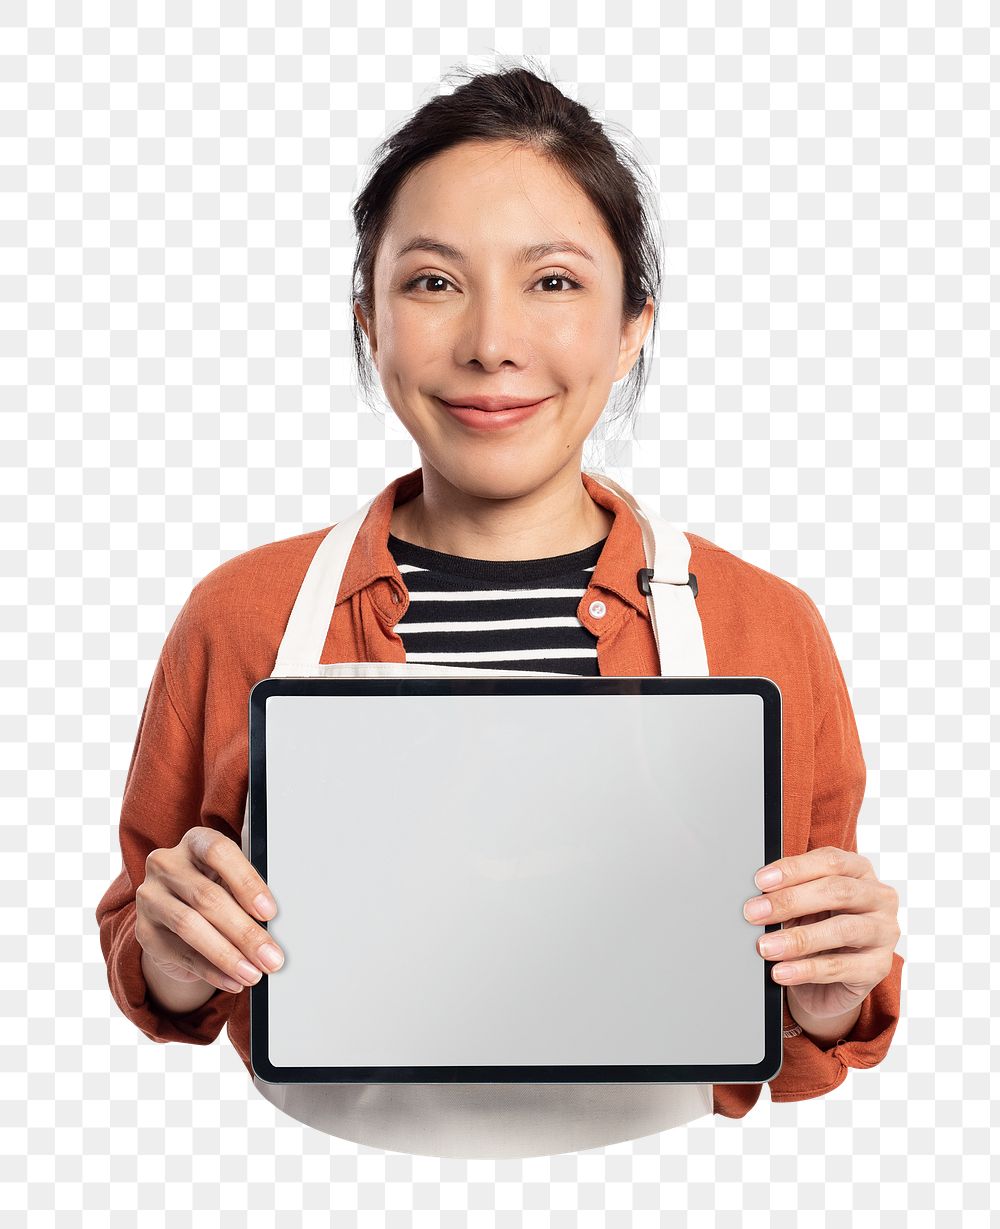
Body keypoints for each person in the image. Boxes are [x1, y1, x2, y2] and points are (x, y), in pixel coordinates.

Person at [95, 59, 903, 1157]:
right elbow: (145, 945)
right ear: (368, 323)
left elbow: (820, 999)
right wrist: (174, 950)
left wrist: (830, 987)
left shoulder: (767, 624)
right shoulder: (240, 613)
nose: (491, 341)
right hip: (317, 1183)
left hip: (673, 1183)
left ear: (631, 329)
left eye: (554, 283)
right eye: (432, 282)